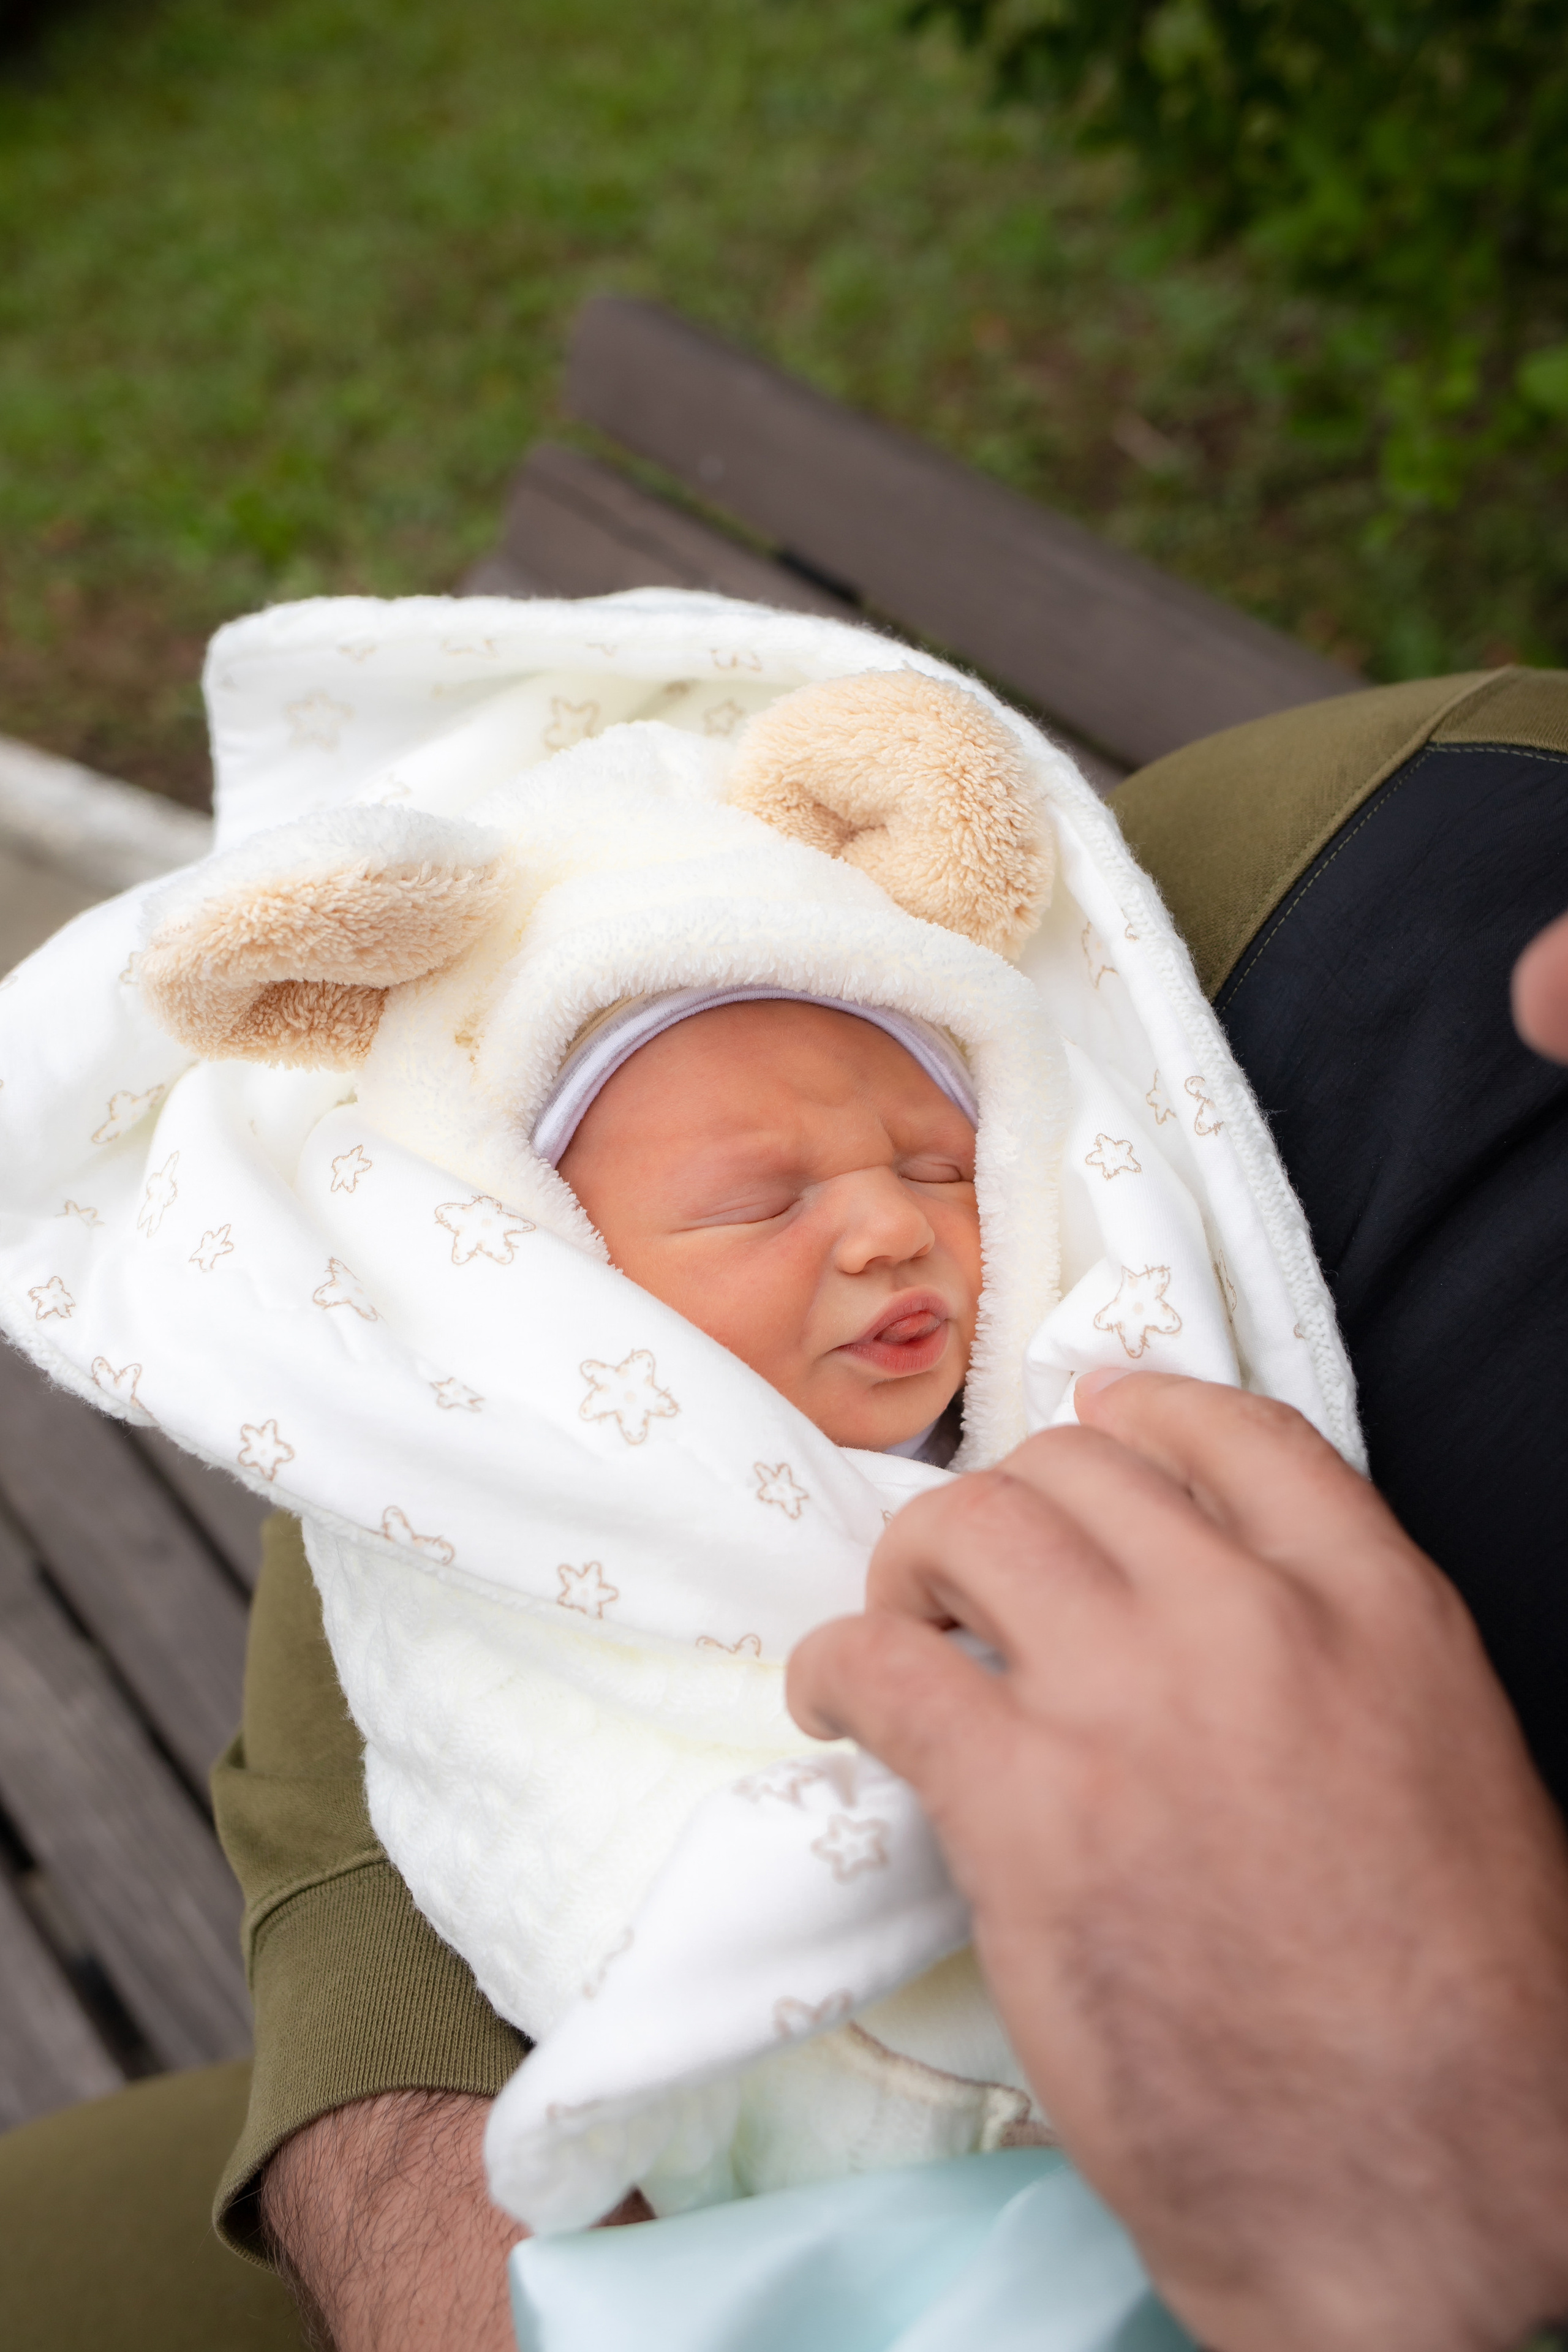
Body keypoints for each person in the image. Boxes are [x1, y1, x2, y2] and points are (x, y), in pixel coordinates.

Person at [5, 657, 1567, 2352]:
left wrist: (1432, 2243)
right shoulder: (1391, 856)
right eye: (757, 1205)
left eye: (937, 1164)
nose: (897, 1232)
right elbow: (403, 1562)